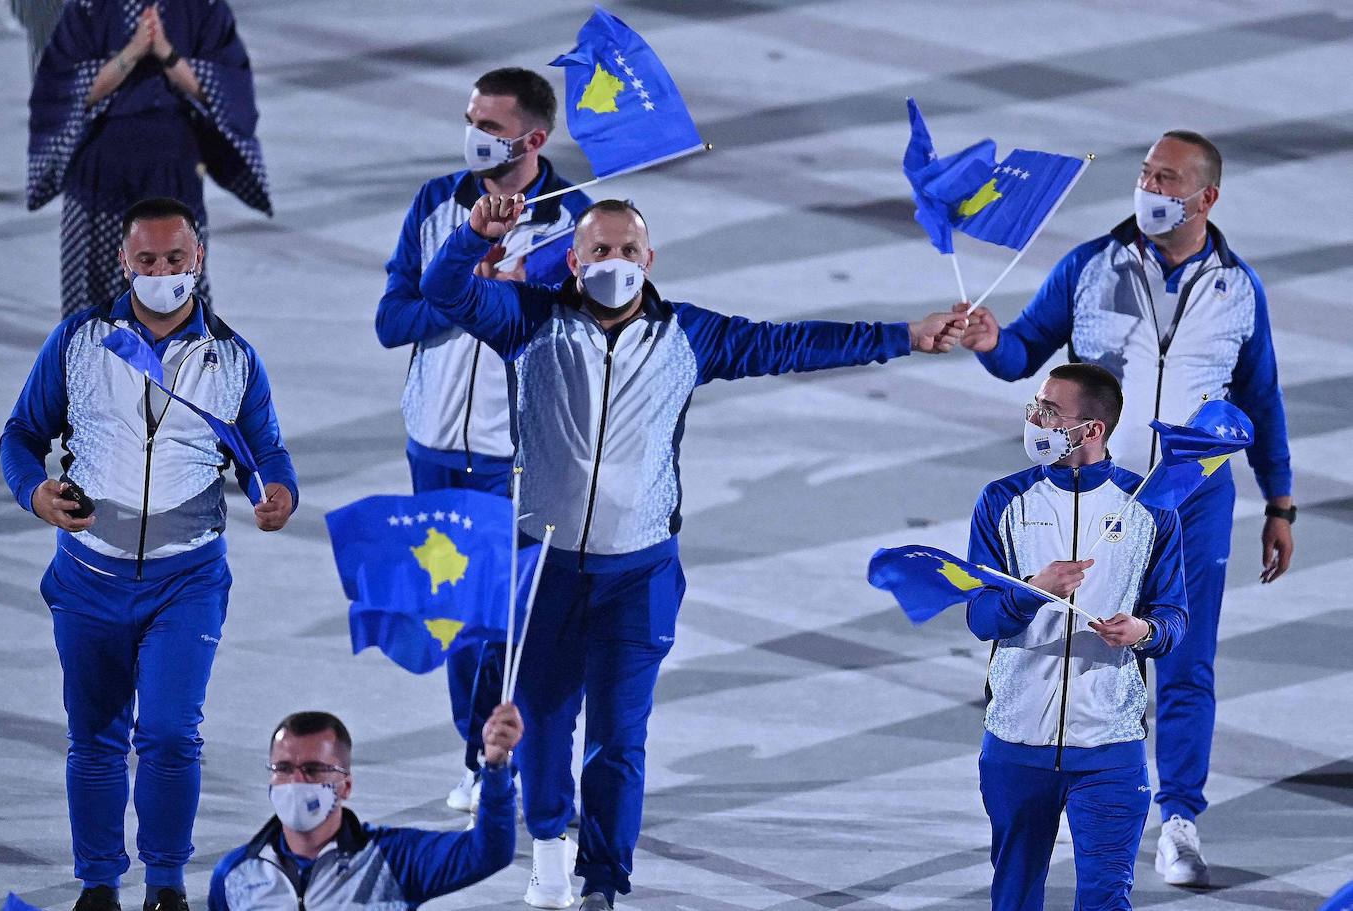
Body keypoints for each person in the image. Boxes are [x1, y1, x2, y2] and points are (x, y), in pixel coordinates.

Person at [419, 192, 967, 910]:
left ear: (649, 260)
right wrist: (471, 237)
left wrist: (905, 334)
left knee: (619, 737)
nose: (612, 262)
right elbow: (442, 291)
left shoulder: (690, 336)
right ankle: (548, 846)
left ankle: (604, 881)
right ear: (574, 260)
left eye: (625, 250)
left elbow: (789, 344)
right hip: (542, 566)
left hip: (637, 574)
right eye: (598, 251)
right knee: (544, 721)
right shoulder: (529, 320)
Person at [959, 130, 1295, 886]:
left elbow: (1262, 398)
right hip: (1092, 487)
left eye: (1167, 177)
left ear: (1205, 196)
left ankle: (1178, 819)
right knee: (1055, 629)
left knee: (1179, 650)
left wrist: (1280, 499)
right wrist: (989, 342)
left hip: (1191, 496)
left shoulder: (1238, 289)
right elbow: (1025, 351)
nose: (1149, 186)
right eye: (1145, 172)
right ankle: (1036, 779)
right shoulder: (1089, 265)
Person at [0, 197, 298, 911]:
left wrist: (278, 490)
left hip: (186, 581)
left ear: (199, 260)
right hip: (88, 580)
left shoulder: (232, 358)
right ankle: (99, 884)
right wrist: (35, 495)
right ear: (123, 263)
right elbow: (20, 434)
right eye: (147, 261)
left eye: (176, 260)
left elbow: (266, 450)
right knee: (96, 735)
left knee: (168, 731)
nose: (163, 273)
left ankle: (166, 884)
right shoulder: (79, 342)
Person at [375, 66, 591, 815]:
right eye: (470, 118)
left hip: (517, 457)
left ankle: (523, 754)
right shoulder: (438, 203)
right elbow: (390, 320)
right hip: (433, 447)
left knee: (512, 620)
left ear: (534, 138)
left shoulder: (577, 222)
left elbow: (581, 342)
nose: (474, 136)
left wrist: (513, 293)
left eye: (491, 127)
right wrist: (463, 286)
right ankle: (481, 753)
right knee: (461, 623)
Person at [968, 363, 1188, 910]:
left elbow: (1174, 621)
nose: (1033, 418)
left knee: (1106, 900)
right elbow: (980, 618)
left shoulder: (1151, 510)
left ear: (1092, 430)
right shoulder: (1001, 502)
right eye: (1035, 405)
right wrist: (1029, 592)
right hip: (1016, 744)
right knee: (1014, 897)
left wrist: (1144, 630)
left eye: (1049, 411)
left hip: (1110, 746)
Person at [28, 0, 270, 317]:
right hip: (98, 178)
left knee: (176, 299)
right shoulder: (88, 6)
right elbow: (62, 93)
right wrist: (133, 51)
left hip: (174, 175)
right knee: (93, 313)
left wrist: (165, 52)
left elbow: (228, 93)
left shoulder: (204, 7)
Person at [208, 704, 523, 911]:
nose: (296, 781)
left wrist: (495, 768)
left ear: (345, 785)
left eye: (314, 769)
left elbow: (487, 853)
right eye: (284, 767)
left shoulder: (393, 860)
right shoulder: (234, 875)